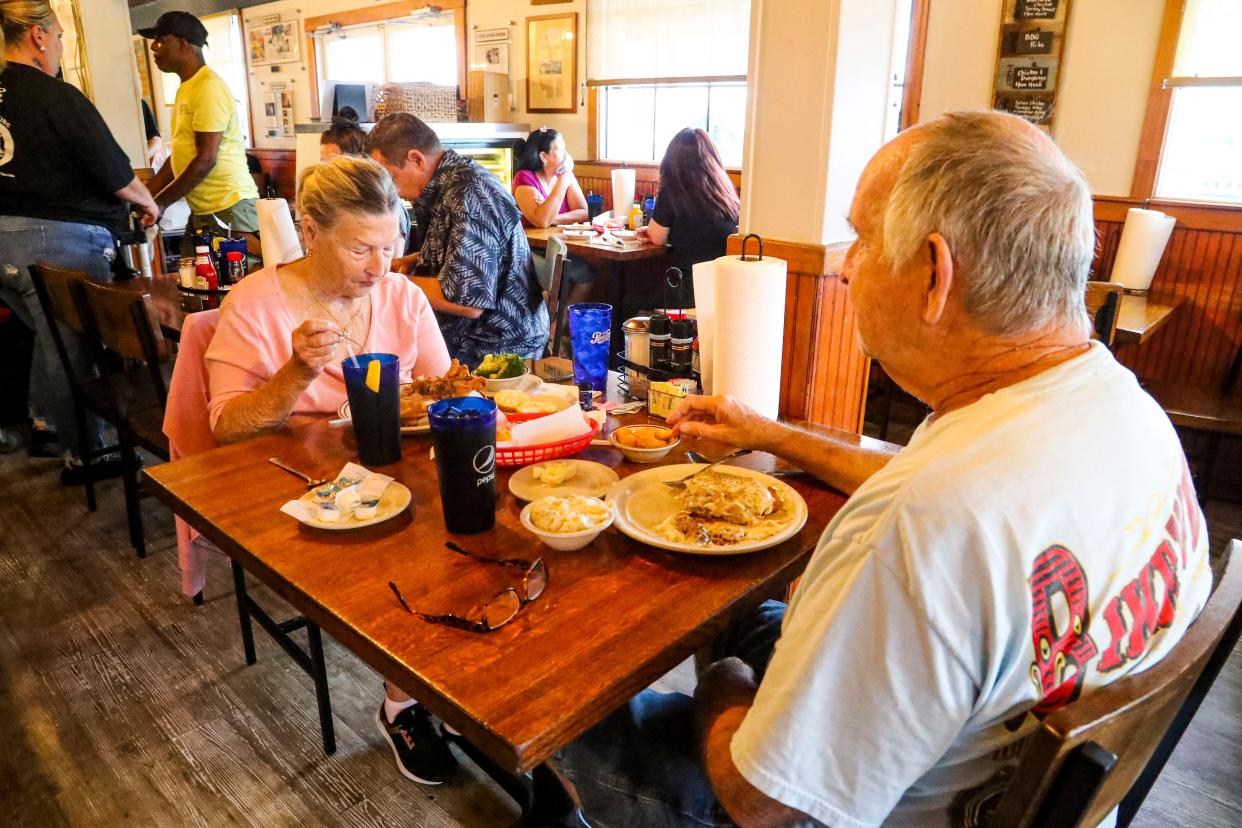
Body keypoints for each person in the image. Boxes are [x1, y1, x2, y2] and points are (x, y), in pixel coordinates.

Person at [556, 111, 1214, 827]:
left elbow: (759, 802)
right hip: (1006, 756)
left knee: (566, 706)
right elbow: (932, 485)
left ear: (935, 273)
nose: (842, 265)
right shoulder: (1121, 407)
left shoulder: (919, 525)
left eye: (862, 240)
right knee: (761, 615)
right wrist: (770, 433)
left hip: (814, 809)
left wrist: (724, 684)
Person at [205, 154, 461, 786]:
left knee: (469, 516)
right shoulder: (256, 303)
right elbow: (224, 425)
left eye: (390, 246)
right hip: (294, 488)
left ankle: (454, 674)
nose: (380, 268)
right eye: (360, 250)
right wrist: (296, 373)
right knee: (412, 548)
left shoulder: (400, 296)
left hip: (390, 471)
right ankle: (404, 703)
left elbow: (440, 390)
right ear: (311, 231)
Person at [0, 0, 160, 480]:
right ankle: (88, 453)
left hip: (4, 240)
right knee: (73, 351)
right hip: (57, 240)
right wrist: (147, 201)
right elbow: (113, 171)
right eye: (61, 37)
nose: (62, 47)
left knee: (47, 342)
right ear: (39, 37)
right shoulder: (54, 96)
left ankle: (48, 425)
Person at [366, 113, 549, 366]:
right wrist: (405, 261)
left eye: (391, 178)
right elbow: (462, 251)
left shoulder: (468, 194)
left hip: (498, 347)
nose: (392, 189)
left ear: (416, 159)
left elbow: (466, 301)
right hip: (475, 338)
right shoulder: (450, 181)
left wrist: (387, 280)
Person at [141, 11, 259, 233]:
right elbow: (179, 158)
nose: (154, 47)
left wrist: (161, 202)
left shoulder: (208, 86)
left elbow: (205, 159)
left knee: (238, 269)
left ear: (184, 45)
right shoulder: (188, 87)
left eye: (161, 41)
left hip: (231, 207)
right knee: (189, 269)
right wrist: (145, 195)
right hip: (204, 210)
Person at [637, 127, 739, 307]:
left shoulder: (673, 191)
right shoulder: (725, 193)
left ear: (672, 161)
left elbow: (657, 238)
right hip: (723, 288)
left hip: (687, 289)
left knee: (629, 303)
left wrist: (650, 231)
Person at [511, 126, 594, 306]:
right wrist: (563, 181)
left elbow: (583, 211)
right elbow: (541, 221)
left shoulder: (563, 176)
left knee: (587, 274)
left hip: (557, 248)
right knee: (581, 275)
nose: (566, 155)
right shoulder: (525, 178)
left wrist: (554, 218)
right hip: (528, 251)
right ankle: (551, 330)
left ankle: (554, 329)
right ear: (544, 156)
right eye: (561, 150)